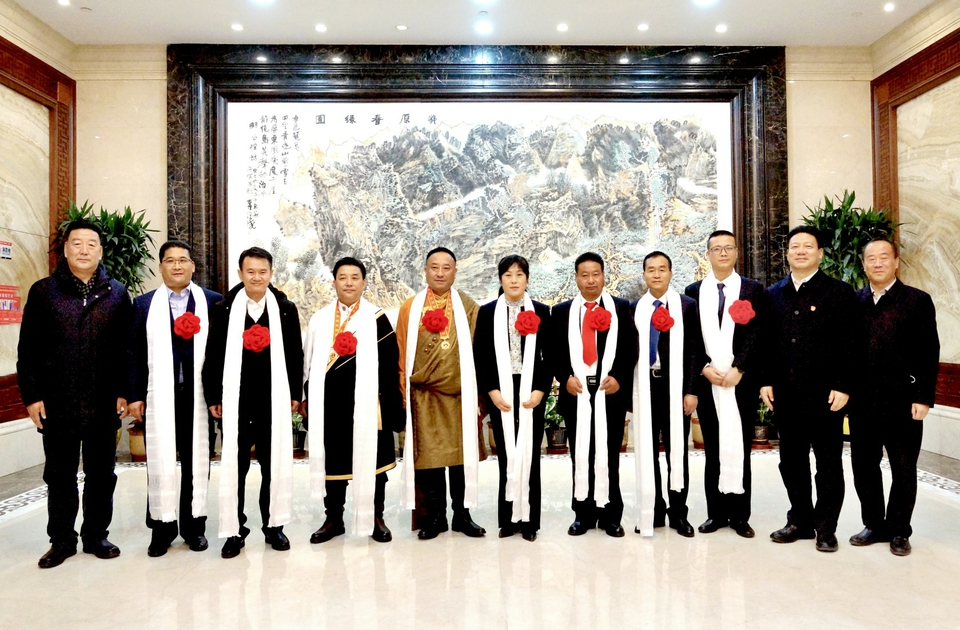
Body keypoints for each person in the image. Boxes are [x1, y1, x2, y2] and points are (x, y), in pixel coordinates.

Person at [17, 219, 132, 568]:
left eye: (91, 244)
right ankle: (62, 540)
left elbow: (126, 349)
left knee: (102, 473)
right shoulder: (44, 291)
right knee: (59, 474)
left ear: (101, 251)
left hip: (102, 400)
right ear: (65, 249)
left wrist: (124, 390)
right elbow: (28, 349)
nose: (84, 250)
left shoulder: (117, 293)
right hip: (57, 401)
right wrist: (32, 396)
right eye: (77, 243)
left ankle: (96, 535)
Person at [761, 225, 859, 553]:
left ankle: (826, 528)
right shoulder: (773, 294)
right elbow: (766, 344)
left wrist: (843, 385)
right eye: (795, 246)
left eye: (808, 246)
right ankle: (800, 520)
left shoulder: (839, 292)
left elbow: (851, 345)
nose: (801, 251)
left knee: (828, 464)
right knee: (791, 462)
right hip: (786, 395)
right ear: (787, 253)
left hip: (826, 397)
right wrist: (765, 380)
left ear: (820, 253)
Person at [202, 246, 303, 559]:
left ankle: (274, 526)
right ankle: (235, 530)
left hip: (274, 400)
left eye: (262, 271)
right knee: (236, 467)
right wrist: (213, 396)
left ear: (271, 273)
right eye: (250, 271)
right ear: (240, 273)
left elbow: (295, 354)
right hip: (237, 401)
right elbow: (213, 354)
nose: (257, 277)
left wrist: (295, 394)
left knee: (274, 466)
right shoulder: (224, 309)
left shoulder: (285, 309)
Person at [127, 240, 221, 557]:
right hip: (159, 397)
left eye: (183, 260)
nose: (177, 266)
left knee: (198, 462)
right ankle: (162, 529)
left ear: (193, 265)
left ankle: (195, 528)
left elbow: (219, 355)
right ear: (161, 266)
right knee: (159, 461)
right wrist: (135, 395)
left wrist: (218, 395)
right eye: (170, 260)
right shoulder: (143, 305)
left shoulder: (212, 302)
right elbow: (134, 354)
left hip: (199, 397)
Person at [302, 257, 405, 544]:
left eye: (354, 277)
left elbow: (390, 366)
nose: (348, 283)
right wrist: (306, 397)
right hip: (330, 406)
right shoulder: (320, 319)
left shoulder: (376, 318)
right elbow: (307, 363)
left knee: (374, 464)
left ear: (364, 282)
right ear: (334, 282)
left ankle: (376, 518)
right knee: (333, 464)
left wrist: (390, 406)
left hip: (369, 405)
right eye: (343, 277)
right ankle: (333, 519)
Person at [848, 239, 940, 557]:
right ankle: (874, 525)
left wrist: (923, 397)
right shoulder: (855, 301)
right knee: (864, 467)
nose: (877, 263)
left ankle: (900, 530)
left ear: (896, 262)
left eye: (884, 257)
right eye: (871, 258)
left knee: (903, 468)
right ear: (863, 265)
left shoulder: (916, 300)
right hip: (862, 402)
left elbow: (928, 352)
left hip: (903, 401)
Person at [395, 247, 485, 540]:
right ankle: (435, 517)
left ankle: (462, 515)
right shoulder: (411, 308)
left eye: (447, 268)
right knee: (429, 458)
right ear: (425, 271)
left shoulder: (469, 307)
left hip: (460, 396)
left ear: (455, 272)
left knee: (461, 457)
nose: (440, 273)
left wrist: (479, 396)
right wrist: (403, 393)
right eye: (434, 267)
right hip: (423, 396)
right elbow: (401, 353)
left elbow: (479, 352)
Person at [551, 252, 638, 537]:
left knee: (609, 455)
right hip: (576, 393)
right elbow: (554, 351)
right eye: (584, 275)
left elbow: (630, 347)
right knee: (581, 454)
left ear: (603, 276)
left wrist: (619, 378)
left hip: (609, 394)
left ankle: (611, 516)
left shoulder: (620, 307)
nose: (590, 280)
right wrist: (565, 377)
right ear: (576, 278)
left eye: (595, 274)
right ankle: (583, 515)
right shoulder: (562, 311)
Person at [684, 230, 764, 539]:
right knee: (713, 447)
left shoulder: (752, 289)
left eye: (728, 248)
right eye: (716, 249)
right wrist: (704, 369)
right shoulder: (694, 291)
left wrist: (739, 367)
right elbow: (691, 338)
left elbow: (757, 333)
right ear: (707, 254)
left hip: (740, 382)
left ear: (736, 252)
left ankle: (740, 516)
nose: (722, 253)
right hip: (708, 383)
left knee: (740, 446)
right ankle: (715, 513)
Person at [473, 255, 552, 541]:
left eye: (519, 274)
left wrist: (540, 390)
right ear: (501, 279)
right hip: (500, 389)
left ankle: (530, 521)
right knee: (506, 454)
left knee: (530, 455)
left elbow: (549, 356)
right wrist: (492, 391)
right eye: (508, 275)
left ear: (527, 278)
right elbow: (481, 356)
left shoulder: (541, 311)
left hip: (531, 388)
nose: (514, 280)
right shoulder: (487, 312)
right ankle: (508, 520)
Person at [632, 251, 699, 537]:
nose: (657, 274)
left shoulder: (686, 306)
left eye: (662, 269)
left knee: (677, 451)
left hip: (676, 388)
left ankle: (679, 513)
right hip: (645, 386)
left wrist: (692, 391)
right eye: (651, 270)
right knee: (647, 452)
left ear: (671, 273)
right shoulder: (635, 307)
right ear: (644, 274)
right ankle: (654, 509)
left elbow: (695, 351)